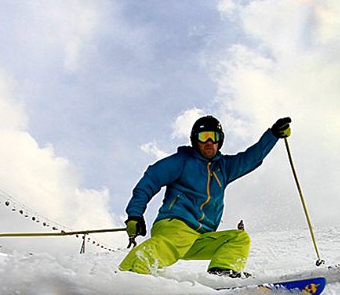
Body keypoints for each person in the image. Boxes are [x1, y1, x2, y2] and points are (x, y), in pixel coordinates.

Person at [119, 115, 292, 277]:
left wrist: (273, 135)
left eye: (214, 136)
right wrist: (135, 214)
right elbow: (150, 181)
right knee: (165, 246)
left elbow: (250, 158)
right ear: (195, 140)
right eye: (204, 137)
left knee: (238, 239)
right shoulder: (182, 161)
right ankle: (129, 275)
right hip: (177, 225)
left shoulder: (223, 168)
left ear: (220, 140)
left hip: (201, 236)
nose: (209, 142)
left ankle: (223, 273)